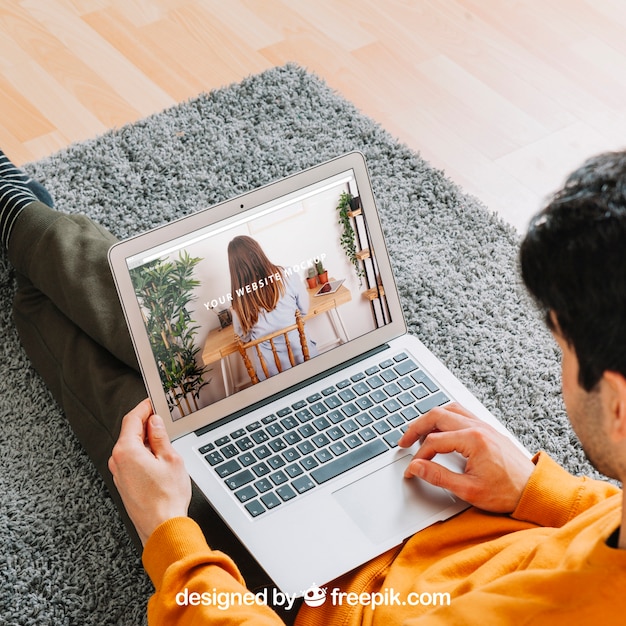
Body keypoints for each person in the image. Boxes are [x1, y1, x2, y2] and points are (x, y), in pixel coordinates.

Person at [2, 147, 626, 625]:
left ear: (618, 403)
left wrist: (168, 535)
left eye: (560, 346)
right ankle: (23, 240)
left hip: (318, 583)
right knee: (149, 352)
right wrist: (539, 492)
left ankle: (22, 229)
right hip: (461, 497)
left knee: (140, 424)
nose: (559, 362)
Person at [228, 235, 318, 381]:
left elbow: (244, 337)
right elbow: (303, 310)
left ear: (235, 269)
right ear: (258, 252)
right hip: (304, 357)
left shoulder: (238, 300)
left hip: (271, 374)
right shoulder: (287, 274)